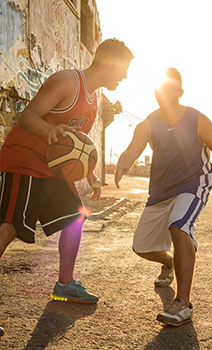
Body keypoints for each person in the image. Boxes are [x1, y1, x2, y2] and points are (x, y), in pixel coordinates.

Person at [0, 38, 134, 311]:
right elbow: (27, 116)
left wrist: (90, 173)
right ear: (107, 63)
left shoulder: (94, 98)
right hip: (24, 160)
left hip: (51, 169)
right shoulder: (67, 82)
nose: (125, 76)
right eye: (123, 68)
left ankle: (64, 285)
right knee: (10, 226)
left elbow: (77, 147)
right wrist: (48, 131)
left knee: (76, 216)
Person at [115, 67, 212, 326]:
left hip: (194, 184)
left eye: (170, 90)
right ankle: (171, 262)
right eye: (160, 90)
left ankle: (183, 303)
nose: (164, 95)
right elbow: (132, 150)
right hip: (161, 192)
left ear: (180, 92)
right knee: (142, 246)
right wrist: (122, 165)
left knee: (179, 226)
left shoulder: (198, 120)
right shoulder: (148, 123)